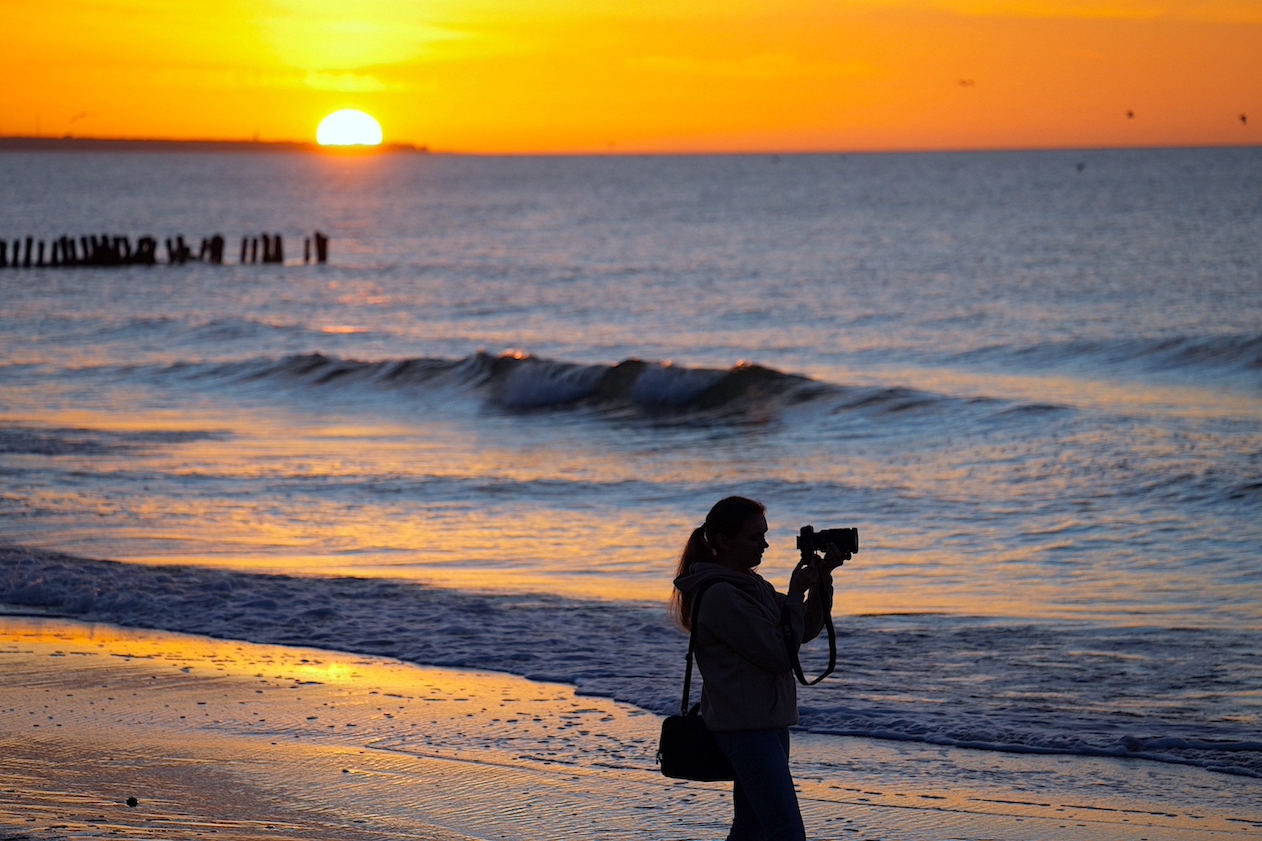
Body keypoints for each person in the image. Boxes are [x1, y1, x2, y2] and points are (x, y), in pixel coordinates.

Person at [671, 496, 846, 841]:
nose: (765, 545)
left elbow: (803, 632)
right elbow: (780, 655)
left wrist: (823, 580)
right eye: (754, 537)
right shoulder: (722, 595)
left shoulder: (755, 587)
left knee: (751, 828)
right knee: (786, 831)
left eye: (764, 535)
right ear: (724, 542)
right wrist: (796, 593)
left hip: (768, 722)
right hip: (746, 728)